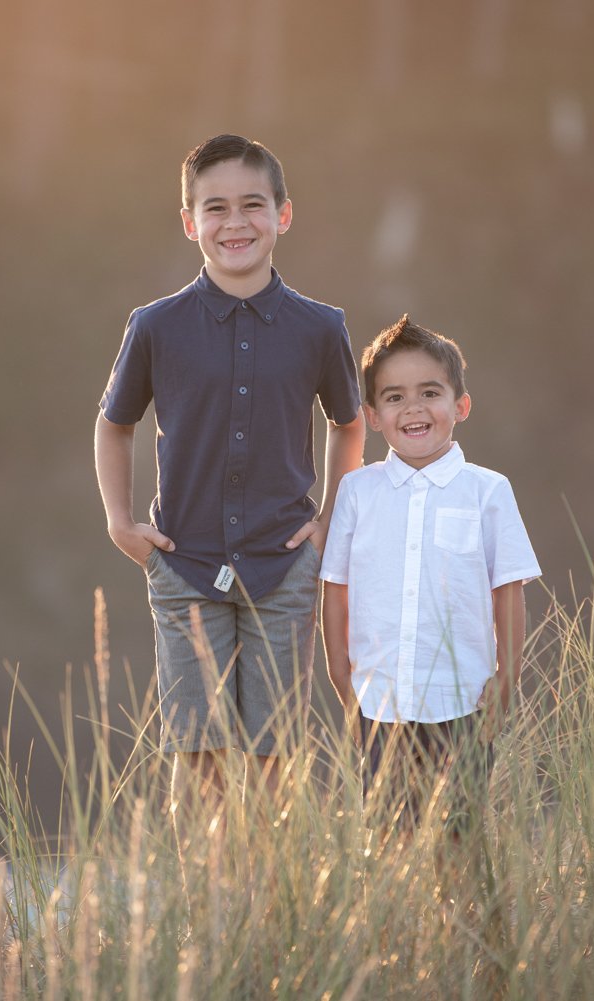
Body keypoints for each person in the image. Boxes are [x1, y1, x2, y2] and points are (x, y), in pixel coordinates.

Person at [95, 134, 366, 810]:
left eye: (252, 204)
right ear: (190, 223)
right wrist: (121, 522)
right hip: (184, 566)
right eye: (214, 208)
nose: (234, 222)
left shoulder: (319, 327)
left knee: (275, 761)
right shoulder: (156, 325)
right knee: (200, 764)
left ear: (284, 214)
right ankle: (211, 913)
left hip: (283, 569)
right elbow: (114, 423)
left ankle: (269, 909)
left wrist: (331, 517)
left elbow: (349, 422)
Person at [320, 314, 541, 837]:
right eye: (394, 397)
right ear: (373, 416)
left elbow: (507, 592)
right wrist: (341, 681)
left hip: (463, 703)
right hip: (379, 704)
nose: (414, 408)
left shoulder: (487, 491)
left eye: (430, 392)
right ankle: (400, 922)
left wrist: (506, 680)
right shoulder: (358, 491)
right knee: (390, 839)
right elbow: (335, 592)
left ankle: (458, 919)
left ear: (459, 406)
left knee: (458, 838)